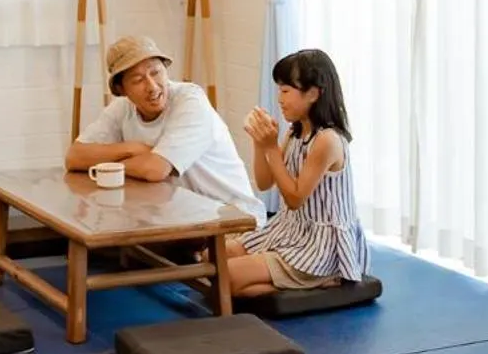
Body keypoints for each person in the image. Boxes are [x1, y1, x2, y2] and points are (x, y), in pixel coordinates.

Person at [67, 35, 263, 225]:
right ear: (122, 89)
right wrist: (132, 148)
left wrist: (110, 167)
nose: (152, 87)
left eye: (155, 73)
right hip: (176, 219)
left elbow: (155, 170)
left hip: (231, 218)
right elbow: (74, 157)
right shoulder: (122, 109)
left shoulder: (190, 100)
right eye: (137, 80)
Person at [228, 49, 369, 296]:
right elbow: (264, 183)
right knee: (212, 259)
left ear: (313, 94)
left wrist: (271, 147)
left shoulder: (328, 140)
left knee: (225, 278)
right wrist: (260, 143)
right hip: (289, 231)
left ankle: (323, 278)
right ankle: (289, 283)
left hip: (319, 246)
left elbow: (294, 199)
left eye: (285, 91)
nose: (279, 99)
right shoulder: (294, 133)